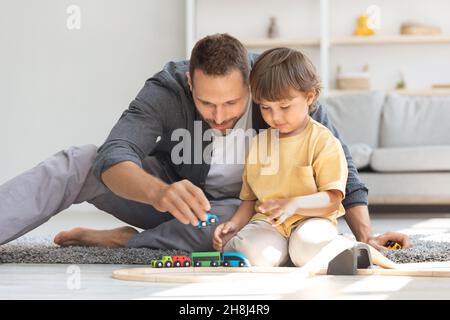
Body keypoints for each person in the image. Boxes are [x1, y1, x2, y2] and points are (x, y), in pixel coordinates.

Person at [0, 33, 410, 252]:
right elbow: (115, 154)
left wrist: (364, 236)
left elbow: (345, 172)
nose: (219, 116)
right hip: (169, 203)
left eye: (232, 102)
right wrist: (159, 192)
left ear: (251, 85)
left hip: (240, 212)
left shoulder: (278, 87)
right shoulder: (167, 87)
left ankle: (125, 240)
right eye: (205, 102)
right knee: (80, 160)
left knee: (246, 230)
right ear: (189, 83)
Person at [213, 47, 349, 266]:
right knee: (251, 252)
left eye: (285, 106)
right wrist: (234, 224)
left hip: (312, 220)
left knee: (308, 247)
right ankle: (282, 253)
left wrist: (294, 204)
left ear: (309, 96)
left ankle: (334, 246)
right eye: (265, 107)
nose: (275, 117)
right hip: (269, 223)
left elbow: (332, 200)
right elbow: (249, 200)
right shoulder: (258, 144)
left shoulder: (323, 141)